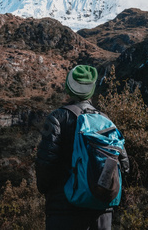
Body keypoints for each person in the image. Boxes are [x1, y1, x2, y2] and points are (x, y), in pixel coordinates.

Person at [35, 65, 130, 230]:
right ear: (92, 90)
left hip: (64, 211)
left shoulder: (57, 118)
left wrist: (46, 191)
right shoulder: (106, 121)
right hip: (102, 211)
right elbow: (125, 167)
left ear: (68, 88)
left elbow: (45, 163)